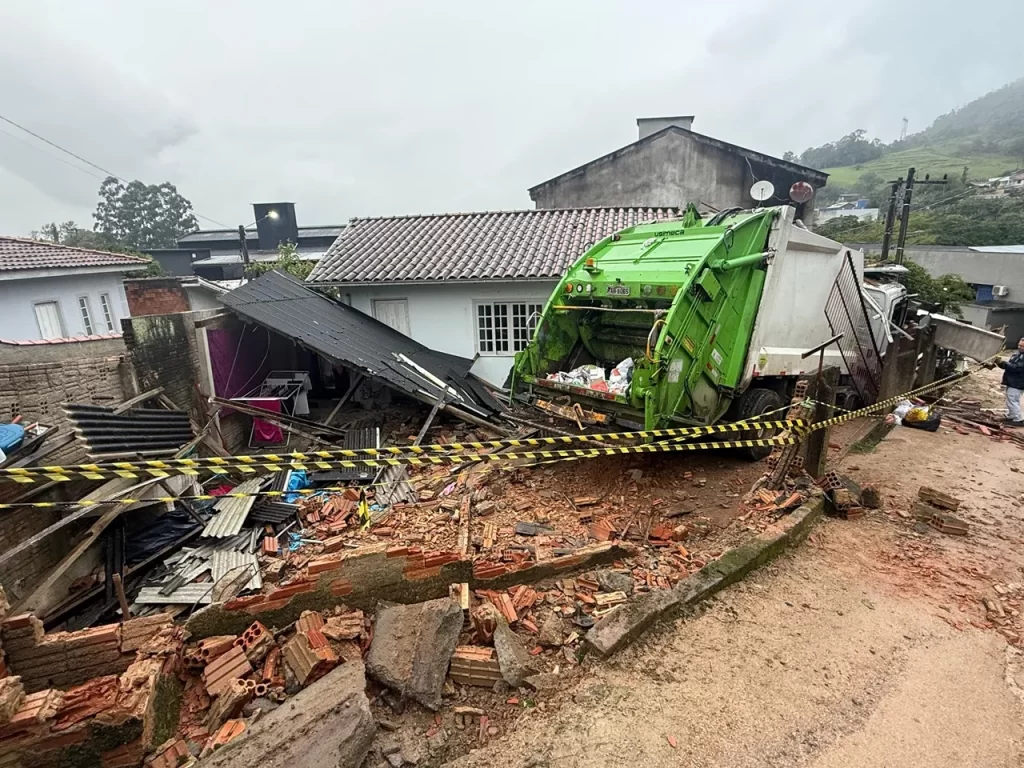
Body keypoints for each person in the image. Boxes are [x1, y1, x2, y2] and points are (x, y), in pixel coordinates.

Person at [996, 338, 1024, 426]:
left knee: (1013, 400)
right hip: (1012, 381)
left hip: (1018, 383)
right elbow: (1009, 366)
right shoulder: (1018, 355)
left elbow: (1016, 368)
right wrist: (1000, 364)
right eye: (1019, 345)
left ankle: (1018, 418)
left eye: (1022, 346)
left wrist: (1003, 363)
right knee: (1010, 400)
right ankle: (1012, 415)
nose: (1019, 347)